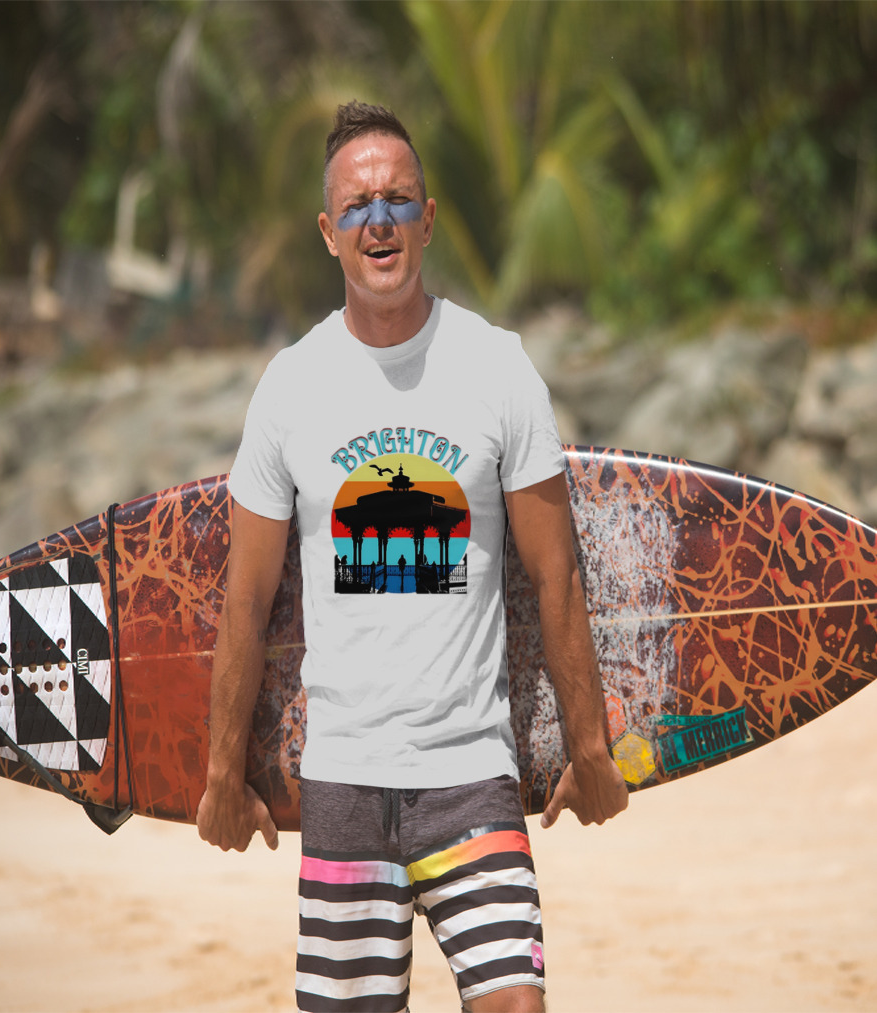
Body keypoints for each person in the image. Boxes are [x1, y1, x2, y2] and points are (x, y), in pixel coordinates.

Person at [197, 100, 628, 1013]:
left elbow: (557, 574)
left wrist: (589, 746)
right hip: (345, 779)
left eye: (398, 200)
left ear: (428, 219)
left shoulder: (498, 368)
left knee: (517, 1003)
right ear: (328, 232)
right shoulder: (290, 387)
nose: (379, 220)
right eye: (357, 206)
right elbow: (246, 600)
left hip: (472, 772)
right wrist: (219, 772)